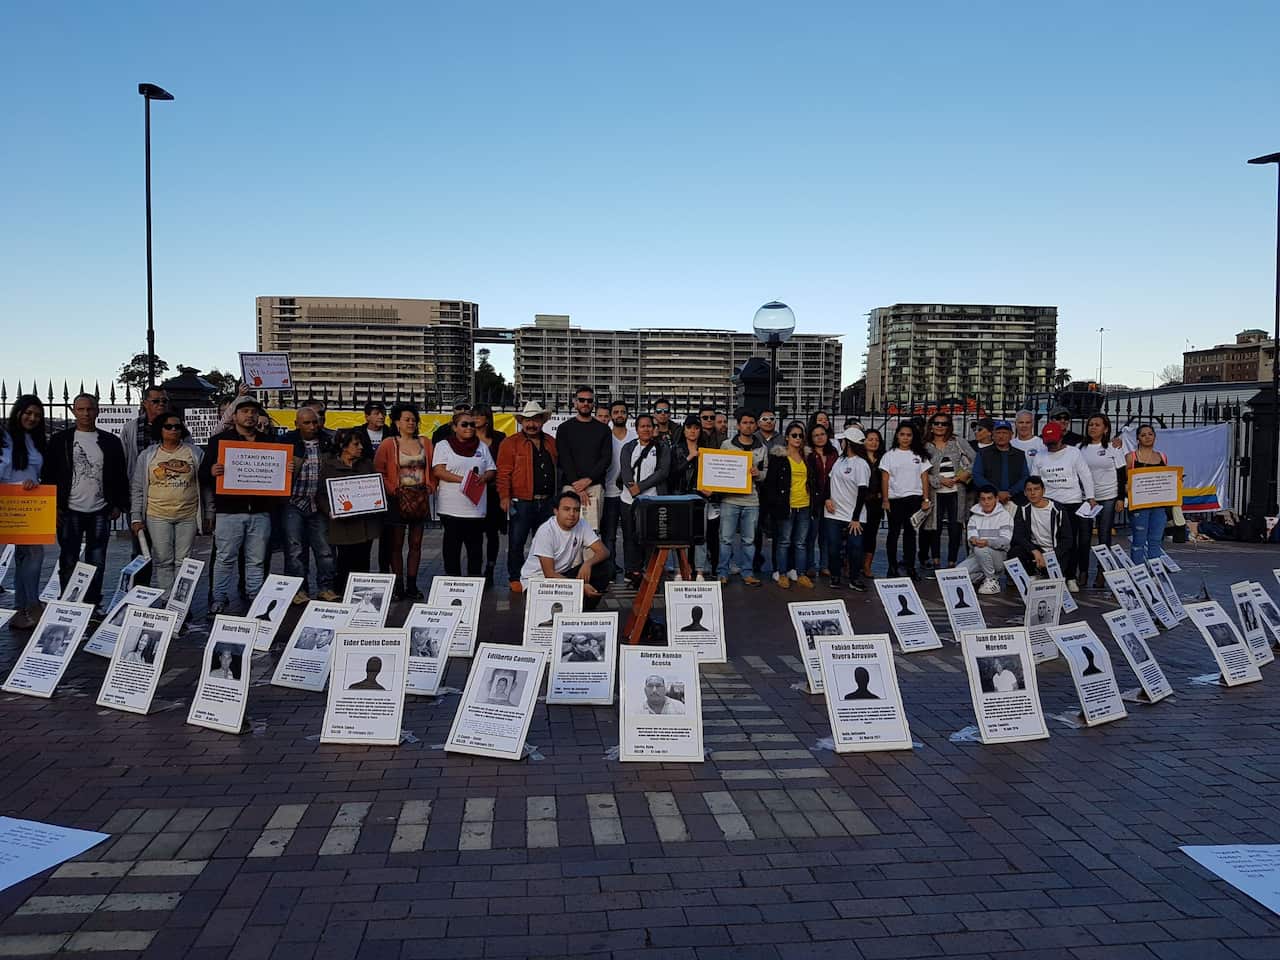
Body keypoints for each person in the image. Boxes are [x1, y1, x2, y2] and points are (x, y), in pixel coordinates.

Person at [43, 393, 129, 606]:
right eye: (80, 409)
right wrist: (52, 506)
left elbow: (120, 474)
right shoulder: (59, 441)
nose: (86, 413)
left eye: (90, 409)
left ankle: (92, 603)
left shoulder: (111, 441)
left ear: (97, 410)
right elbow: (49, 475)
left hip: (100, 509)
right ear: (73, 411)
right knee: (69, 558)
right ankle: (68, 601)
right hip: (68, 508)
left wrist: (118, 503)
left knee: (97, 559)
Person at [129, 412, 203, 594]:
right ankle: (166, 598)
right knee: (163, 560)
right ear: (160, 430)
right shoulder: (147, 456)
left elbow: (204, 486)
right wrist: (136, 517)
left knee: (183, 561)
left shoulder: (194, 452)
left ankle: (180, 601)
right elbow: (138, 488)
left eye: (177, 426)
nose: (173, 430)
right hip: (157, 515)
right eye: (168, 426)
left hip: (188, 515)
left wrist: (208, 513)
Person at [373, 402, 433, 600]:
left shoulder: (425, 442)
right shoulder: (389, 444)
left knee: (416, 544)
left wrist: (431, 485)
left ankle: (412, 584)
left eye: (414, 420)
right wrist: (393, 489)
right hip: (397, 499)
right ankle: (398, 585)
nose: (411, 423)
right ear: (397, 422)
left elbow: (432, 469)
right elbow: (379, 471)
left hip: (420, 498)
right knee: (396, 545)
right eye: (407, 419)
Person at [497, 401, 559, 593]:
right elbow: (503, 472)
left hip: (548, 500)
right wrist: (504, 497)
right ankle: (515, 577)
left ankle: (542, 575)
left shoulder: (550, 442)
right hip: (521, 501)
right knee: (517, 542)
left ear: (542, 421)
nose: (531, 424)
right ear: (522, 421)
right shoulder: (510, 443)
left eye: (535, 420)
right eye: (527, 420)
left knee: (546, 543)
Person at [0, 395, 48, 629]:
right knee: (25, 557)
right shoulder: (3, 437)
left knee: (29, 557)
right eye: (28, 413)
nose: (32, 418)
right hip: (7, 504)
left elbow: (38, 472)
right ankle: (29, 605)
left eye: (37, 415)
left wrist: (34, 482)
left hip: (30, 506)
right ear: (17, 412)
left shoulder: (37, 440)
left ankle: (25, 608)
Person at [282, 405, 338, 604]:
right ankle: (298, 590)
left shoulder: (328, 441)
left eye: (315, 422)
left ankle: (326, 588)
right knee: (295, 549)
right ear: (297, 424)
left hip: (319, 504)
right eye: (307, 423)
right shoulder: (286, 441)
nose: (312, 426)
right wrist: (283, 467)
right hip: (293, 502)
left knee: (325, 550)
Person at [318, 428, 384, 595]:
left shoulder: (367, 464)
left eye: (361, 443)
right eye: (356, 444)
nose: (360, 447)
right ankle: (341, 592)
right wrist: (329, 511)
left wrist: (377, 500)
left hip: (365, 524)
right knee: (344, 560)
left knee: (363, 559)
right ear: (343, 446)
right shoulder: (329, 467)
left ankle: (360, 594)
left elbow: (375, 489)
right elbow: (321, 495)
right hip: (343, 525)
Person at [433, 410, 498, 579]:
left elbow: (491, 469)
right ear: (454, 427)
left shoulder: (481, 446)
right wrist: (465, 480)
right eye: (464, 424)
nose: (469, 427)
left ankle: (474, 584)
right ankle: (452, 582)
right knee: (452, 549)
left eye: (472, 424)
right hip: (451, 508)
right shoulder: (443, 445)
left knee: (475, 549)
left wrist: (485, 477)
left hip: (475, 508)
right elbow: (439, 471)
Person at [518, 491, 611, 605]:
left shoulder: (582, 524)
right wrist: (579, 587)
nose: (572, 514)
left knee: (606, 567)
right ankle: (577, 600)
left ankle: (585, 606)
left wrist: (588, 563)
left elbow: (604, 551)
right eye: (566, 509)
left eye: (576, 510)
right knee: (555, 607)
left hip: (562, 574)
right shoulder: (546, 531)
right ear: (556, 511)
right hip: (538, 582)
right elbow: (549, 574)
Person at [120, 385, 170, 585]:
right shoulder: (132, 428)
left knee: (168, 551)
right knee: (141, 548)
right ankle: (139, 592)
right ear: (145, 404)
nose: (161, 405)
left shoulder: (175, 426)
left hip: (168, 497)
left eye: (164, 401)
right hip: (140, 497)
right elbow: (124, 461)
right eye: (156, 401)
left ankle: (169, 594)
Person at [1036, 422, 1095, 591]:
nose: (1051, 445)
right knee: (1049, 540)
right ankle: (1051, 573)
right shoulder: (1040, 456)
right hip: (1049, 503)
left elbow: (1085, 475)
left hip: (1072, 502)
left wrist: (1090, 497)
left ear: (1061, 437)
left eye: (1053, 441)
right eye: (1048, 442)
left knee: (1070, 541)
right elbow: (1035, 478)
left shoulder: (1073, 453)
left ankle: (1070, 576)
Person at [763, 420, 816, 590]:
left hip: (805, 504)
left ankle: (800, 574)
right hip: (786, 505)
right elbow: (770, 484)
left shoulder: (808, 458)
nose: (798, 438)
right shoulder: (779, 458)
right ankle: (782, 573)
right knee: (784, 541)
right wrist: (776, 503)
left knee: (801, 542)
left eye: (801, 436)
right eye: (794, 435)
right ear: (787, 438)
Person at [618, 414, 671, 581]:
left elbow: (662, 472)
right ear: (637, 429)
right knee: (630, 536)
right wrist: (631, 486)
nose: (646, 429)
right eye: (642, 426)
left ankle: (650, 569)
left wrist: (640, 487)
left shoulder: (662, 447)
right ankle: (632, 570)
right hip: (628, 500)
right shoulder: (628, 447)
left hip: (652, 500)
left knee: (650, 537)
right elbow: (625, 469)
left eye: (649, 426)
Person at [718, 409, 767, 586]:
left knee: (749, 540)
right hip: (730, 499)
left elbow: (766, 473)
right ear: (738, 425)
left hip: (752, 500)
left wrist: (758, 474)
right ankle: (722, 572)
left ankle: (747, 572)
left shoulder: (762, 448)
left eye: (751, 422)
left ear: (756, 425)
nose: (748, 425)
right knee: (725, 539)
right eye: (745, 422)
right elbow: (719, 469)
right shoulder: (727, 445)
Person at [921, 413, 975, 570]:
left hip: (957, 490)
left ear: (948, 426)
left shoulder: (958, 441)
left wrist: (963, 475)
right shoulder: (925, 445)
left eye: (943, 424)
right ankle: (936, 559)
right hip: (934, 492)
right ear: (931, 426)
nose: (939, 426)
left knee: (956, 526)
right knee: (934, 526)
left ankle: (952, 561)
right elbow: (921, 471)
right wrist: (938, 480)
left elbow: (976, 459)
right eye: (936, 423)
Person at [1080, 413, 1127, 588]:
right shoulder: (1079, 448)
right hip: (1086, 498)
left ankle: (1102, 572)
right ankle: (1083, 572)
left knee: (1104, 535)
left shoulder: (1114, 447)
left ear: (1106, 428)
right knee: (1084, 537)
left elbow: (1122, 474)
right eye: (1090, 424)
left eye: (1097, 425)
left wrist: (1121, 498)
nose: (1093, 427)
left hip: (1108, 496)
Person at [556, 386, 612, 531]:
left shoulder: (603, 429)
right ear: (575, 402)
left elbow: (606, 458)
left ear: (593, 404)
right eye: (581, 400)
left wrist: (588, 481)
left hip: (594, 486)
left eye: (589, 400)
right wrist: (577, 484)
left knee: (590, 532)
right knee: (567, 531)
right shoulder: (564, 428)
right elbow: (564, 458)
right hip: (570, 486)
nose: (585, 403)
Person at [879, 422, 930, 580]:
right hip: (895, 500)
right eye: (902, 434)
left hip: (914, 499)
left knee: (910, 535)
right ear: (897, 436)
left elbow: (924, 478)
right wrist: (886, 499)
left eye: (908, 435)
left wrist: (925, 499)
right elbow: (885, 478)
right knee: (893, 534)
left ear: (913, 437)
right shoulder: (889, 455)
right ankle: (892, 566)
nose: (905, 438)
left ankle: (910, 567)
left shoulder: (919, 455)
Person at [668, 415, 715, 579]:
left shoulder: (707, 450)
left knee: (700, 535)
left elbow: (714, 474)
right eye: (689, 428)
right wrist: (690, 458)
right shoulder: (675, 449)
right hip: (679, 495)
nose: (693, 431)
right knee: (679, 536)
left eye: (696, 428)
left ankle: (700, 570)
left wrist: (712, 490)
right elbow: (671, 474)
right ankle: (679, 570)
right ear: (684, 429)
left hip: (699, 496)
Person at [823, 427, 871, 591]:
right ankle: (835, 576)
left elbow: (863, 491)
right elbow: (829, 481)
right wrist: (827, 498)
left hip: (854, 516)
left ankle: (854, 578)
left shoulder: (861, 464)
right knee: (833, 546)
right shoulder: (839, 460)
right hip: (834, 512)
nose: (841, 443)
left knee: (855, 547)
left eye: (843, 440)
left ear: (849, 443)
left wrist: (856, 518)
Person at [471, 405, 507, 587]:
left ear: (487, 418)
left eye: (480, 415)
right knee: (475, 533)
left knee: (492, 533)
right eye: (473, 415)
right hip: (473, 491)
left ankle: (490, 568)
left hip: (493, 491)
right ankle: (475, 569)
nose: (476, 419)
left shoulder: (499, 438)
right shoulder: (467, 437)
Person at [1009, 476, 1071, 579]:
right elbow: (1018, 535)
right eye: (1029, 490)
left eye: (1036, 489)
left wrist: (1050, 556)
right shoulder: (1023, 509)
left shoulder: (1058, 510)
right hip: (1036, 550)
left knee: (1054, 575)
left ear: (1043, 491)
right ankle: (1028, 574)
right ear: (1025, 493)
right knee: (1015, 551)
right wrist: (1034, 551)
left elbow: (1067, 539)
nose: (1033, 493)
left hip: (1055, 552)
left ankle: (1069, 578)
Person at [1127, 423, 1170, 565]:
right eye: (1143, 435)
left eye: (1150, 434)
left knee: (1156, 540)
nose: (1147, 437)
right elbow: (1124, 481)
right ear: (1138, 438)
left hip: (1159, 505)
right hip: (1139, 506)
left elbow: (1165, 479)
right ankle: (1138, 572)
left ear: (1155, 437)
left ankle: (1155, 573)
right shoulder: (1131, 457)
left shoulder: (1162, 457)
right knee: (1139, 540)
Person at [962, 486, 1014, 594]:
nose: (986, 502)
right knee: (958, 575)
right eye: (983, 499)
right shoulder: (974, 518)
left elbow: (1005, 541)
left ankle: (992, 580)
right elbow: (971, 538)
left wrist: (987, 542)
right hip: (977, 556)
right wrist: (973, 540)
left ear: (996, 499)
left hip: (999, 557)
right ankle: (985, 576)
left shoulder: (1005, 516)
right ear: (979, 500)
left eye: (989, 498)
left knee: (980, 549)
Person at [601, 401, 634, 577]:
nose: (619, 414)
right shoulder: (604, 436)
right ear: (611, 415)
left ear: (627, 414)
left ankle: (631, 570)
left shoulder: (635, 436)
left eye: (623, 411)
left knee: (630, 535)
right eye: (616, 412)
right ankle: (609, 570)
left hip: (630, 494)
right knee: (609, 535)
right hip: (609, 492)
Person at [804, 422, 838, 579]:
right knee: (811, 534)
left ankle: (825, 566)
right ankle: (810, 565)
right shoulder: (809, 455)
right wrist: (820, 497)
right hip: (814, 501)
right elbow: (811, 479)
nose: (819, 438)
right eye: (816, 435)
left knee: (826, 536)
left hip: (832, 499)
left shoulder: (834, 454)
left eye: (822, 434)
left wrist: (828, 497)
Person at [972, 420, 1029, 510]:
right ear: (993, 435)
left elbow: (1025, 476)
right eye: (998, 433)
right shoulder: (983, 453)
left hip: (1015, 500)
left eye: (1005, 433)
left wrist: (1010, 492)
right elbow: (977, 475)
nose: (1001, 436)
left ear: (1011, 435)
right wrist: (996, 492)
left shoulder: (1020, 454)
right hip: (988, 501)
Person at [860, 429, 885, 581]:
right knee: (857, 534)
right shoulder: (859, 458)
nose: (873, 442)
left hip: (876, 501)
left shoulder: (883, 458)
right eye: (870, 439)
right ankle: (852, 563)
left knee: (871, 534)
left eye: (876, 439)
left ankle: (867, 565)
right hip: (861, 500)